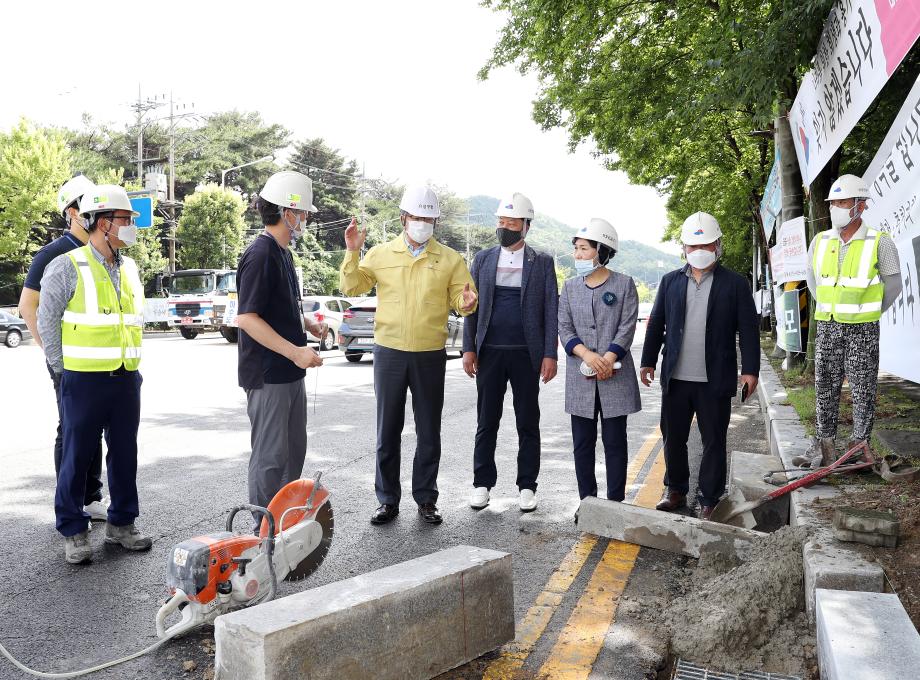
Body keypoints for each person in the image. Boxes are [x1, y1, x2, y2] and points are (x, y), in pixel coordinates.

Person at [340, 185, 478, 526]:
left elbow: (463, 299)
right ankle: (387, 500)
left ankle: (426, 499)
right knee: (387, 430)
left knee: (429, 431)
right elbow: (351, 287)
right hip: (389, 352)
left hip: (430, 354)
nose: (423, 223)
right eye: (417, 217)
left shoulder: (450, 259)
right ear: (404, 218)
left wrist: (468, 304)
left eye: (429, 218)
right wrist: (352, 252)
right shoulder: (382, 253)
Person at [37, 185, 151, 564]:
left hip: (125, 376)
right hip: (82, 378)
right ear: (104, 224)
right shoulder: (67, 265)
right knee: (78, 454)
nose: (131, 226)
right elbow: (46, 320)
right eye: (125, 220)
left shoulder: (130, 267)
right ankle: (73, 529)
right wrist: (61, 370)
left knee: (124, 453)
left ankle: (122, 524)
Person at [639, 212, 759, 520]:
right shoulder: (670, 282)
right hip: (677, 377)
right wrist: (648, 361)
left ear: (718, 245)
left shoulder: (735, 284)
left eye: (706, 243)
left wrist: (750, 370)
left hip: (714, 377)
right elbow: (656, 325)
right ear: (684, 248)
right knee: (673, 437)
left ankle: (709, 497)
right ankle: (675, 489)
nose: (700, 250)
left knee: (714, 440)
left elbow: (748, 329)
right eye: (693, 245)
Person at [236, 171, 325, 531]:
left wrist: (307, 325)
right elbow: (247, 319)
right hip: (269, 374)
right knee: (271, 459)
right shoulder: (259, 254)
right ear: (287, 212)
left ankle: (283, 527)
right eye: (302, 212)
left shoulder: (282, 253)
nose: (304, 219)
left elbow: (278, 306)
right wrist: (296, 352)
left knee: (292, 455)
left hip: (289, 373)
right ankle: (262, 532)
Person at [19, 174, 108, 522]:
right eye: (86, 203)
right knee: (72, 427)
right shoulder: (53, 254)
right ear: (72, 211)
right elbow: (29, 307)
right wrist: (52, 355)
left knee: (96, 426)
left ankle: (91, 496)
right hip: (68, 363)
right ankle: (70, 500)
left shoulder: (102, 251)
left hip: (102, 360)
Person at [462, 192, 558, 512]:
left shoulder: (542, 262)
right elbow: (470, 308)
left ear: (526, 227)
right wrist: (468, 349)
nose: (504, 228)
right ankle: (481, 484)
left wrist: (550, 354)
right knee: (486, 421)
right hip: (489, 352)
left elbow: (550, 310)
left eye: (511, 223)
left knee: (527, 422)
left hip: (526, 355)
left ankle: (527, 486)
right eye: (501, 222)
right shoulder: (483, 259)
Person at [801, 174, 902, 467]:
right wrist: (834, 308)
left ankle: (859, 448)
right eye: (833, 203)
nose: (836, 208)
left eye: (843, 202)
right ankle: (824, 446)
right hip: (828, 325)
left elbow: (893, 286)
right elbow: (813, 282)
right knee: (825, 386)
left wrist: (866, 311)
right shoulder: (820, 241)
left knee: (863, 389)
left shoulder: (880, 242)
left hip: (863, 330)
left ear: (861, 205)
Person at [558, 219, 641, 502]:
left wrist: (607, 358)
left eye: (584, 249)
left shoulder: (624, 284)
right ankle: (588, 502)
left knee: (615, 442)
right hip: (580, 376)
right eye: (576, 249)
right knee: (582, 444)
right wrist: (588, 355)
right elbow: (565, 328)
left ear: (601, 252)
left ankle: (615, 502)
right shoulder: (569, 287)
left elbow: (627, 326)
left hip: (615, 374)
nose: (577, 255)